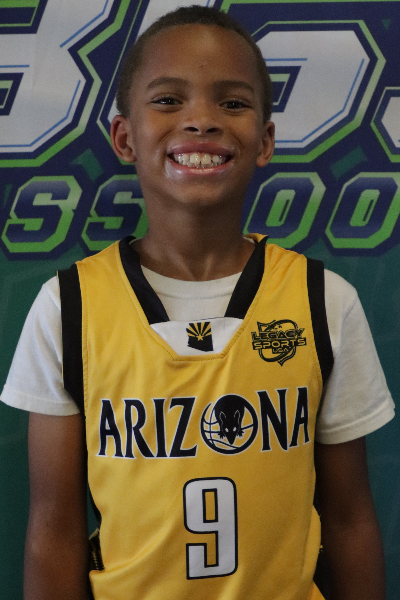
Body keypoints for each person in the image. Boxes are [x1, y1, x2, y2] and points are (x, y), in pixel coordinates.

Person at [0, 6, 395, 600]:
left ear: (265, 141)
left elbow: (349, 519)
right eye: (168, 100)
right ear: (124, 138)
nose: (202, 120)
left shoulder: (324, 300)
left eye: (232, 103)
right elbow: (54, 532)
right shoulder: (68, 307)